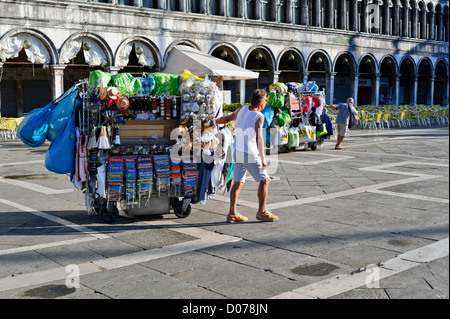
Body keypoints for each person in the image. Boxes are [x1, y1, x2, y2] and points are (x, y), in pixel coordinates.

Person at [214, 89, 279, 223]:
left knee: (238, 182)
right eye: (265, 100)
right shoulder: (258, 116)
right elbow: (259, 139)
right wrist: (263, 159)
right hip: (250, 153)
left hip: (237, 151)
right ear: (261, 102)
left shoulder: (242, 109)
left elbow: (226, 119)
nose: (266, 103)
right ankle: (262, 212)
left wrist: (212, 122)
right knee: (265, 180)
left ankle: (232, 213)